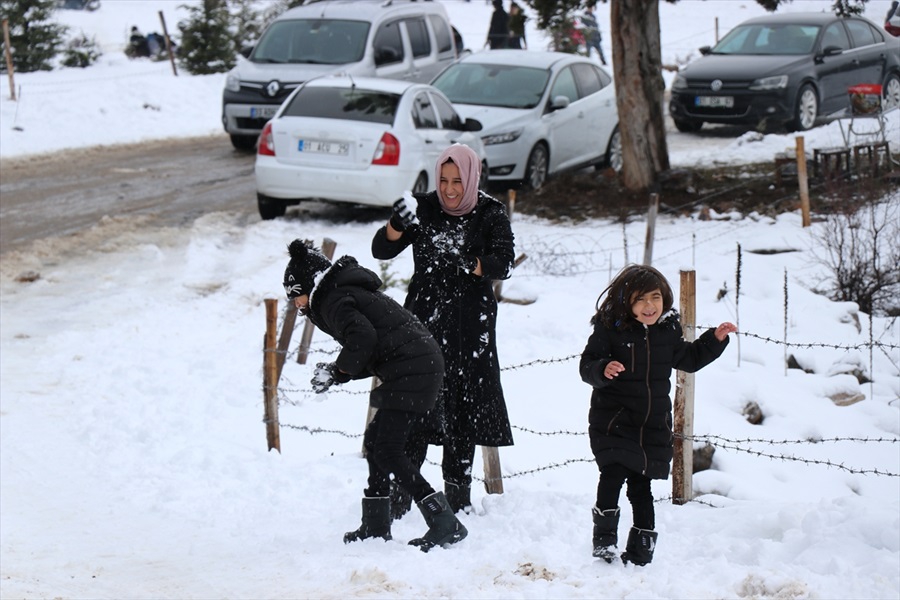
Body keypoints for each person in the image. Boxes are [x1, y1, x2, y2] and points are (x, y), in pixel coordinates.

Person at [282, 239, 467, 552]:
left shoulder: (334, 299)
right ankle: (376, 524)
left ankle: (444, 521)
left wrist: (339, 371)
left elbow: (363, 339)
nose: (297, 304)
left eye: (296, 295)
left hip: (413, 369)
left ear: (310, 286)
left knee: (389, 449)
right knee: (376, 442)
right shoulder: (340, 294)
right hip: (414, 364)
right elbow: (374, 345)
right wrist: (339, 372)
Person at [371, 144, 516, 516]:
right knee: (417, 401)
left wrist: (472, 262)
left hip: (471, 323)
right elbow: (381, 251)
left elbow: (504, 262)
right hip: (424, 317)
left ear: (471, 179)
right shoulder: (423, 208)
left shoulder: (490, 213)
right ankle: (403, 495)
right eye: (444, 180)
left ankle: (457, 499)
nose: (450, 189)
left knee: (462, 409)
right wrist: (397, 225)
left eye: (458, 181)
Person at [579, 264, 736, 566]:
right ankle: (604, 542)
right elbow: (587, 364)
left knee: (642, 488)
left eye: (655, 297)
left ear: (664, 299)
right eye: (639, 299)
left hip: (652, 425)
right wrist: (602, 368)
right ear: (625, 302)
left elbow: (688, 358)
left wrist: (713, 341)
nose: (649, 306)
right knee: (611, 477)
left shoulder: (667, 331)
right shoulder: (610, 330)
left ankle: (641, 552)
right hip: (614, 421)